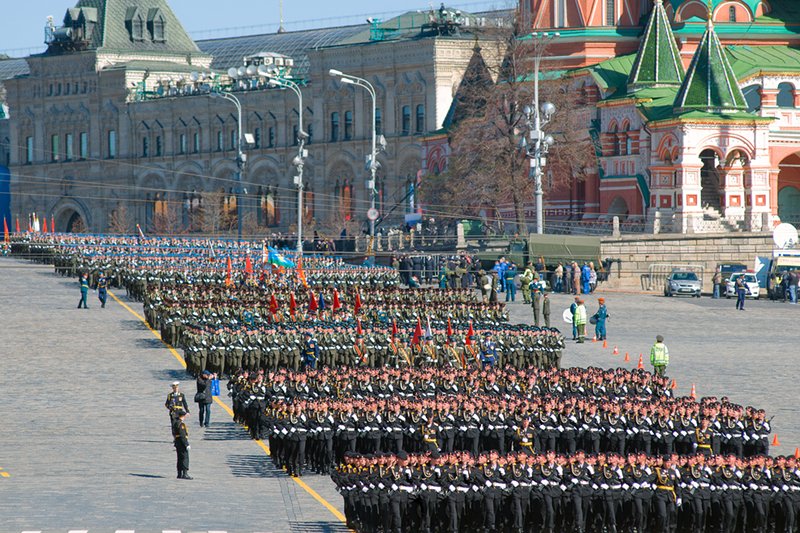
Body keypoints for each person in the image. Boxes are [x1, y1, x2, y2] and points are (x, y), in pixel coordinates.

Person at [172, 410, 192, 479]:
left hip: (177, 442)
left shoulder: (175, 423)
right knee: (185, 457)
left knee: (179, 458)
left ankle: (179, 473)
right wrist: (186, 444)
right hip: (181, 442)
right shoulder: (181, 424)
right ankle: (185, 473)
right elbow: (182, 435)